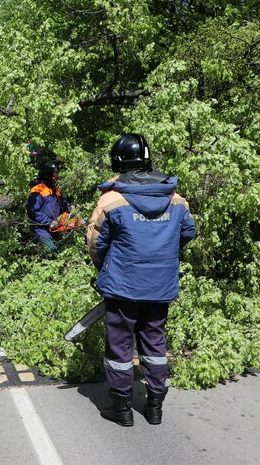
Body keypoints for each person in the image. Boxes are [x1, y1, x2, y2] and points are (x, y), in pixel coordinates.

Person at [86, 134, 196, 427]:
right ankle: (155, 406)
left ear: (118, 161)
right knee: (155, 341)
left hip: (122, 287)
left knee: (120, 347)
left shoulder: (111, 200)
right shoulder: (175, 198)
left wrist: (105, 268)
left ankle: (121, 408)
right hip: (160, 287)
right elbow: (187, 233)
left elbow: (96, 243)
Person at [26, 160, 69, 253]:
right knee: (52, 252)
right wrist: (49, 222)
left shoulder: (56, 190)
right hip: (40, 229)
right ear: (48, 175)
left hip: (55, 228)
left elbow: (63, 206)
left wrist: (71, 208)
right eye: (54, 174)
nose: (56, 176)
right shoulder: (38, 190)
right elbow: (33, 213)